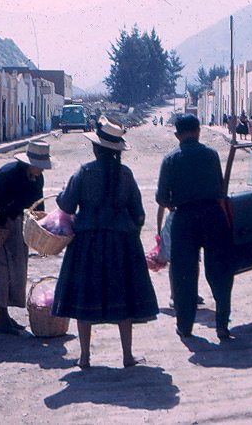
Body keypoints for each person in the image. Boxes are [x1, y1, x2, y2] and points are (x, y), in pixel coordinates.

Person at [51, 116, 158, 368]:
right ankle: (127, 356)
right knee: (124, 297)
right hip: (122, 242)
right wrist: (130, 233)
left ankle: (85, 356)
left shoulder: (84, 171)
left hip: (87, 242)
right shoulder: (126, 174)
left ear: (96, 148)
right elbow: (138, 213)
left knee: (84, 296)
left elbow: (66, 204)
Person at [156, 114, 234, 341]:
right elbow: (220, 186)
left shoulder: (171, 158)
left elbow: (162, 197)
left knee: (184, 274)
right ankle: (222, 325)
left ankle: (185, 326)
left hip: (185, 218)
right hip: (213, 214)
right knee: (220, 272)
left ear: (177, 135)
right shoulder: (211, 154)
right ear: (199, 131)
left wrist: (173, 204)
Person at [0, 140, 51, 335]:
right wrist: (3, 220)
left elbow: (37, 203)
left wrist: (41, 221)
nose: (41, 171)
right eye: (39, 166)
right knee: (0, 270)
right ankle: (2, 316)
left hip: (16, 226)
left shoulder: (37, 178)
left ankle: (4, 315)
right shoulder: (8, 174)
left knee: (16, 269)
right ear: (28, 162)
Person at [156, 205, 205, 309]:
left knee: (192, 260)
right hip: (179, 221)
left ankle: (192, 293)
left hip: (190, 220)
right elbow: (161, 204)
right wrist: (159, 231)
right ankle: (175, 295)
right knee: (175, 261)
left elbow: (161, 202)